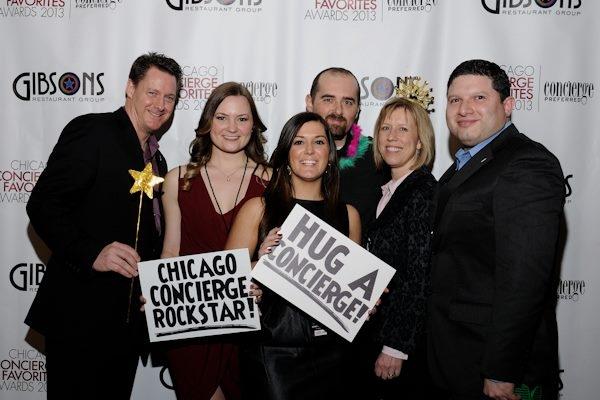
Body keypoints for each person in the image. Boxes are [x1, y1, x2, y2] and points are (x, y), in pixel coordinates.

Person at [25, 52, 182, 399]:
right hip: (80, 318)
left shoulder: (156, 160)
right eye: (152, 92)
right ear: (130, 88)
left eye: (169, 97)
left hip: (125, 327)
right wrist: (92, 252)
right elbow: (43, 205)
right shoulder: (93, 131)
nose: (160, 104)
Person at [428, 59, 565, 400]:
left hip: (492, 366)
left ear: (507, 105)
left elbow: (524, 279)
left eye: (479, 98)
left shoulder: (526, 164)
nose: (464, 109)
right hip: (455, 355)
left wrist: (502, 370)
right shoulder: (464, 165)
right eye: (455, 99)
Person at [225, 112, 361, 400]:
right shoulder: (258, 209)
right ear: (286, 153)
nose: (309, 151)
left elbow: (349, 294)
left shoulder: (349, 216)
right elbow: (224, 284)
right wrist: (257, 267)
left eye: (319, 142)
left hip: (335, 356)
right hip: (273, 354)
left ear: (330, 154)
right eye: (299, 142)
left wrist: (364, 301)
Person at [160, 82, 269, 400]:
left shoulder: (272, 180)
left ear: (253, 125)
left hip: (247, 324)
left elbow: (276, 252)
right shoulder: (178, 179)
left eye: (242, 119)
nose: (232, 128)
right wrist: (159, 293)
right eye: (222, 117)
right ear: (208, 122)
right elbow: (171, 250)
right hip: (191, 325)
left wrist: (263, 282)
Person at [358, 96, 436, 399]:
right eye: (386, 128)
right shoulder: (388, 191)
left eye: (403, 129)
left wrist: (396, 347)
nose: (392, 136)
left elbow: (419, 273)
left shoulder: (422, 192)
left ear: (420, 141)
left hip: (397, 343)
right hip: (376, 330)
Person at [306, 67, 388, 227]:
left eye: (348, 102)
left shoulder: (377, 156)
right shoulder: (291, 153)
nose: (338, 110)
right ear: (310, 102)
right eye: (328, 99)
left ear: (357, 110)